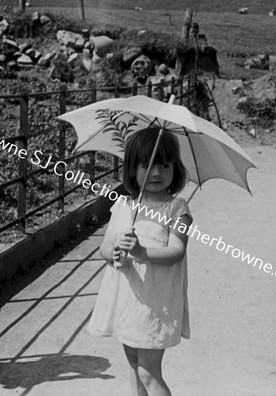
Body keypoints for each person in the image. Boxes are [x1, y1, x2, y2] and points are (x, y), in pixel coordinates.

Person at [88, 128, 193, 396]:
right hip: (127, 299)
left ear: (175, 169)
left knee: (148, 370)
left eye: (164, 165)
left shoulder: (176, 210)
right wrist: (114, 253)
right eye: (147, 165)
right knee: (134, 365)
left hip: (155, 302)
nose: (156, 173)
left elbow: (177, 251)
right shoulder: (123, 206)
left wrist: (142, 252)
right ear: (133, 170)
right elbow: (104, 247)